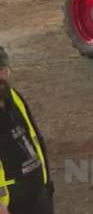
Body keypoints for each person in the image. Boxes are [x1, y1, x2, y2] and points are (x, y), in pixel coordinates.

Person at [0, 46, 52, 214]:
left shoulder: (12, 96)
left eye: (3, 67)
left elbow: (33, 137)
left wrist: (46, 185)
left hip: (36, 193)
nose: (4, 75)